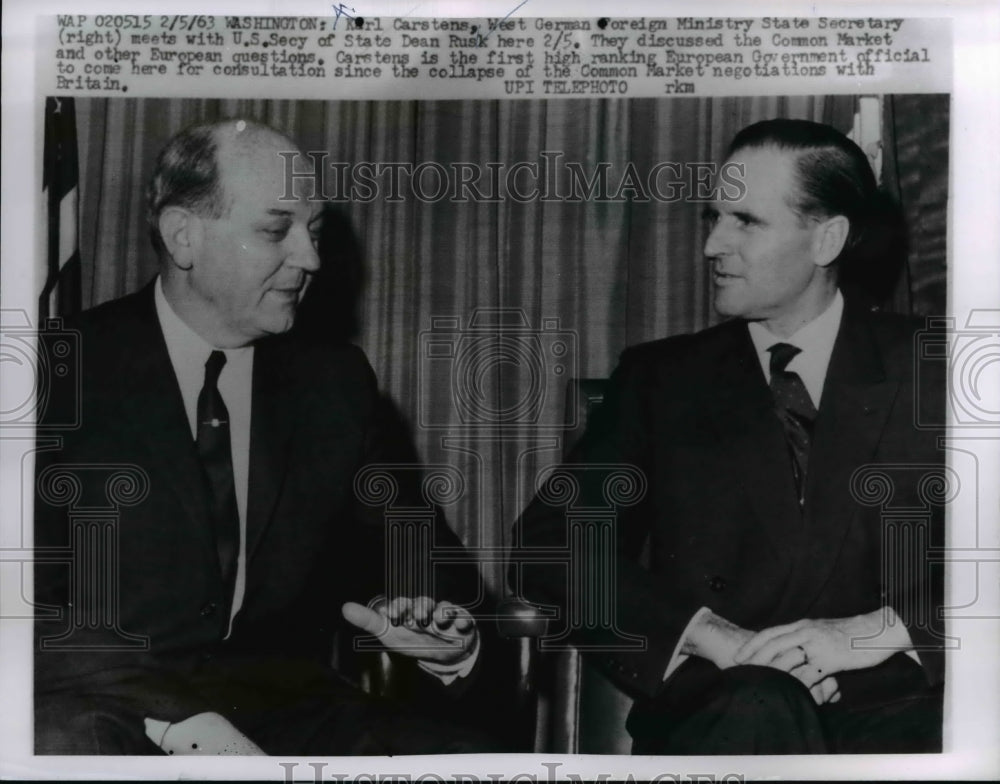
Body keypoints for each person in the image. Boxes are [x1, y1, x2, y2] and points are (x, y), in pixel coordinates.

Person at [34, 119, 507, 755]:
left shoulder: (333, 382)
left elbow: (414, 550)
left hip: (285, 708)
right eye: (275, 228)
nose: (310, 257)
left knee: (466, 761)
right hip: (106, 702)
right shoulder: (56, 370)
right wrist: (183, 721)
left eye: (312, 230)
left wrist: (452, 639)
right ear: (183, 237)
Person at [512, 118, 946, 754]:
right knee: (757, 705)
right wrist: (715, 637)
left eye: (746, 221)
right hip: (724, 709)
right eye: (713, 217)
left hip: (900, 716)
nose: (714, 244)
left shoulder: (937, 368)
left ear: (827, 239)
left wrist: (872, 634)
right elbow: (551, 548)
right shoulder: (662, 380)